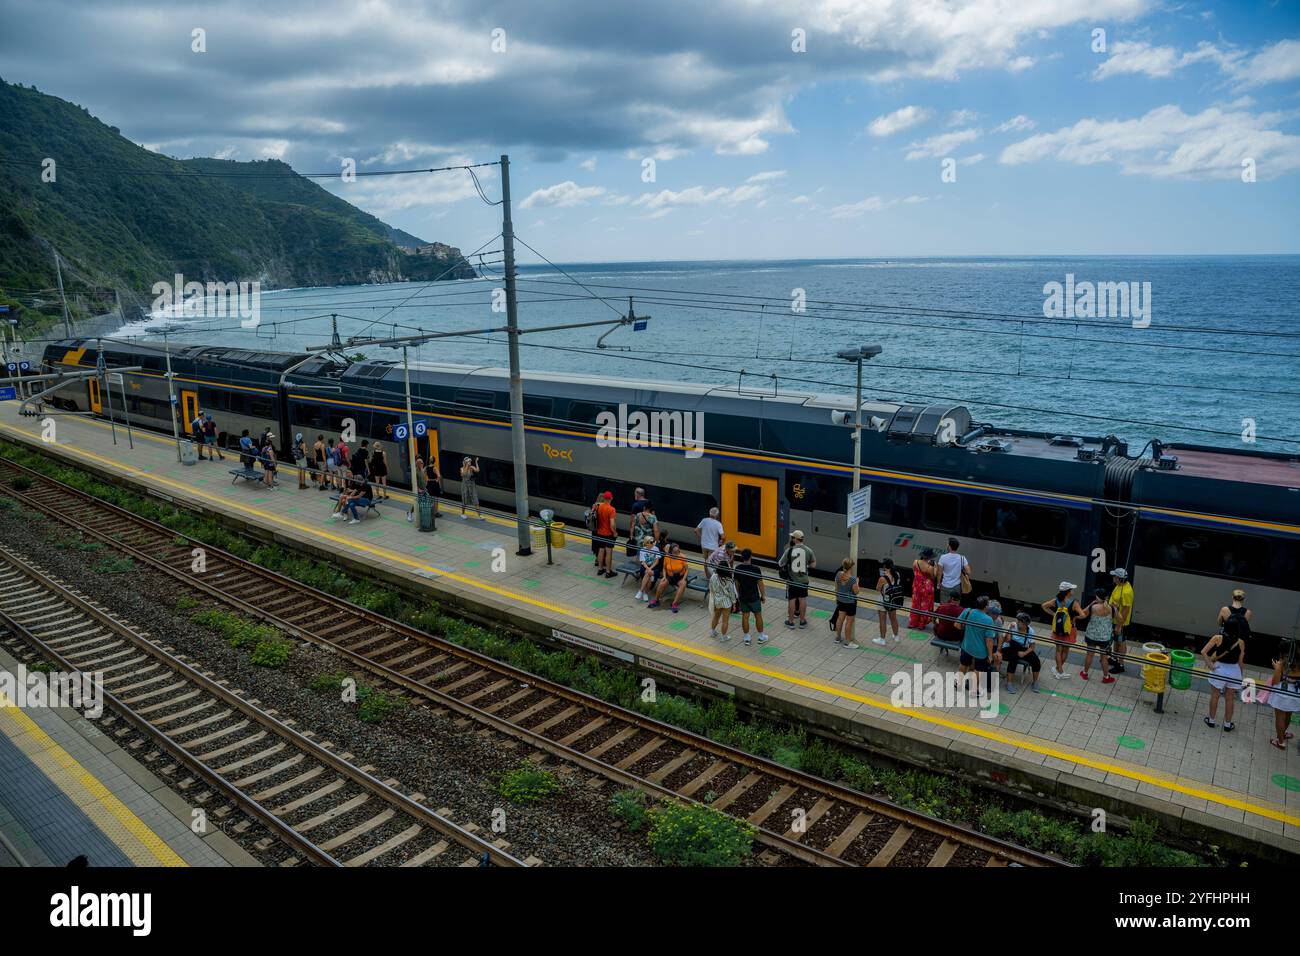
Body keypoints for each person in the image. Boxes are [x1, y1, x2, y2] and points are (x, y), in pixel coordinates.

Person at [1202, 626, 1245, 731]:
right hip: (1234, 671)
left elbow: (1203, 652)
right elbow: (1240, 661)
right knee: (1230, 698)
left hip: (1219, 670)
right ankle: (1227, 724)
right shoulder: (1240, 642)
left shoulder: (1217, 638)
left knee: (1215, 696)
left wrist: (1210, 666)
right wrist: (1240, 674)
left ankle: (1211, 720)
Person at [955, 596, 999, 698]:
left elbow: (957, 625)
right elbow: (989, 640)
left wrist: (967, 628)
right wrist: (990, 655)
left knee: (964, 663)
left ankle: (959, 683)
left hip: (966, 646)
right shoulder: (988, 620)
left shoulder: (968, 611)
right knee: (978, 670)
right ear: (985, 607)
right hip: (980, 651)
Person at [1041, 582, 1083, 680]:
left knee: (1058, 650)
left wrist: (1054, 614)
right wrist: (1075, 617)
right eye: (1071, 589)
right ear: (1068, 592)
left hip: (1058, 628)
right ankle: (1059, 671)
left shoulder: (1056, 600)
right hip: (1069, 629)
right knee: (1065, 650)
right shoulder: (1074, 602)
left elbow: (1043, 606)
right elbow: (1083, 615)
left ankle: (1057, 669)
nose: (1073, 591)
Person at [1077, 588, 1117, 683]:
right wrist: (1115, 608)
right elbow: (1120, 618)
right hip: (1104, 638)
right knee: (1103, 657)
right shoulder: (1111, 608)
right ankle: (1106, 677)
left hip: (1091, 636)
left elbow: (1082, 614)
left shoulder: (1093, 607)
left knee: (1090, 655)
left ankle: (1085, 673)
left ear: (1097, 597)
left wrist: (1090, 604)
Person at [778, 530, 815, 629]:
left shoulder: (789, 550)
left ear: (795, 539)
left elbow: (780, 563)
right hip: (804, 580)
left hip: (792, 580)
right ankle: (802, 621)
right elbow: (813, 564)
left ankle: (791, 622)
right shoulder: (809, 550)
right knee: (802, 599)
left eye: (792, 537)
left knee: (792, 600)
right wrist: (806, 564)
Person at [734, 549, 768, 646]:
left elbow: (736, 583)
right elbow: (760, 583)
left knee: (745, 616)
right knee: (758, 615)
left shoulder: (738, 568)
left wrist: (738, 595)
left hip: (743, 596)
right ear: (751, 557)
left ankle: (747, 638)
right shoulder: (756, 569)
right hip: (754, 597)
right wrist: (763, 595)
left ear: (742, 557)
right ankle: (761, 636)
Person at [1002, 611, 1041, 693]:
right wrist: (1009, 630)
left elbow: (1032, 647)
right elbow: (1007, 640)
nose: (1017, 623)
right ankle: (1009, 683)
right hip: (1009, 647)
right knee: (1013, 659)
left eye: (1019, 622)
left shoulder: (1030, 631)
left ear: (1025, 624)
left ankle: (1035, 682)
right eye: (1018, 621)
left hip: (1021, 648)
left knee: (1036, 660)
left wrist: (1024, 653)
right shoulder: (1013, 626)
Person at [1268, 654, 1300, 750]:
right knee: (1288, 714)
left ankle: (1280, 742)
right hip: (1295, 692)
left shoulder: (1282, 664)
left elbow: (1275, 681)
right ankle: (1283, 733)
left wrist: (1277, 668)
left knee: (1280, 717)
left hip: (1282, 694)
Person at [1108, 568, 1134, 674]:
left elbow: (1126, 610)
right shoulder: (1120, 586)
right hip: (1115, 619)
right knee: (1116, 640)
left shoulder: (1127, 591)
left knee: (1121, 642)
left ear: (1118, 578)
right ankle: (1114, 659)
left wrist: (1119, 625)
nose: (1113, 578)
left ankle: (1121, 664)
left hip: (1121, 622)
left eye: (1114, 576)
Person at [650, 543, 689, 612]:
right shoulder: (667, 557)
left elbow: (686, 570)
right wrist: (664, 577)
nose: (677, 550)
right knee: (661, 584)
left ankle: (674, 603)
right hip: (670, 576)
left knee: (683, 585)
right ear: (672, 550)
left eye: (678, 548)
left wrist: (683, 579)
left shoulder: (682, 556)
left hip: (680, 577)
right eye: (675, 549)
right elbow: (664, 568)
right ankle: (656, 600)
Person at [874, 557, 903, 646]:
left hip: (883, 601)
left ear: (885, 566)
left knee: (882, 620)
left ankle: (882, 639)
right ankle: (896, 636)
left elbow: (877, 589)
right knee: (893, 618)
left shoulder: (883, 578)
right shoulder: (897, 574)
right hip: (893, 600)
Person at [832, 558, 860, 649]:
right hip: (850, 602)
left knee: (840, 619)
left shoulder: (838, 574)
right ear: (851, 567)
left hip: (840, 600)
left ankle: (838, 637)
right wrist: (857, 582)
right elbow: (856, 592)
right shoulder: (852, 579)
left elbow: (836, 588)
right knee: (849, 621)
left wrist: (838, 597)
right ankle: (847, 642)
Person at [909, 547, 938, 630]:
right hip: (927, 587)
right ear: (929, 557)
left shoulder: (915, 562)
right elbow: (933, 576)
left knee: (915, 604)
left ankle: (913, 623)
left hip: (916, 585)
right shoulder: (930, 567)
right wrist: (935, 566)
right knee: (924, 605)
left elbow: (915, 571)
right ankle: (921, 624)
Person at [707, 564, 738, 642]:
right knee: (725, 620)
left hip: (717, 600)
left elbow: (711, 587)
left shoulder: (713, 576)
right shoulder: (729, 580)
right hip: (726, 602)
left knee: (716, 616)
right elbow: (731, 593)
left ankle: (712, 631)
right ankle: (724, 637)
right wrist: (734, 603)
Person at [936, 537, 969, 604]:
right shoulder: (962, 558)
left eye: (947, 544)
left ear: (949, 547)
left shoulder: (943, 557)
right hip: (956, 586)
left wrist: (938, 583)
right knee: (954, 605)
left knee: (944, 606)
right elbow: (968, 571)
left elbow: (939, 573)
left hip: (945, 585)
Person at [594, 491, 617, 577]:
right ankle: (608, 571)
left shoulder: (598, 506)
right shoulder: (612, 509)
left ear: (604, 498)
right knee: (609, 552)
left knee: (601, 550)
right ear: (611, 498)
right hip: (608, 534)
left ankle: (600, 569)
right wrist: (614, 532)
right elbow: (612, 524)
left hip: (599, 532)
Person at [635, 531, 661, 602]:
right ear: (646, 543)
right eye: (651, 542)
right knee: (649, 574)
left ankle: (641, 591)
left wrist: (650, 569)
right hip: (645, 567)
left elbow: (657, 561)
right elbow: (643, 562)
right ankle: (645, 593)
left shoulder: (656, 549)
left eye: (653, 541)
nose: (653, 543)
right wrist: (648, 569)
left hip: (654, 567)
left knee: (648, 573)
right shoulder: (642, 550)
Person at [408, 457, 427, 523]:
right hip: (419, 490)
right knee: (417, 503)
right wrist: (418, 489)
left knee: (422, 503)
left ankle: (422, 516)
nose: (423, 463)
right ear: (418, 464)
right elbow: (414, 482)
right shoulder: (415, 471)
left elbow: (424, 478)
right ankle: (410, 513)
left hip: (424, 489)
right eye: (422, 463)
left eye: (423, 462)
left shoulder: (422, 470)